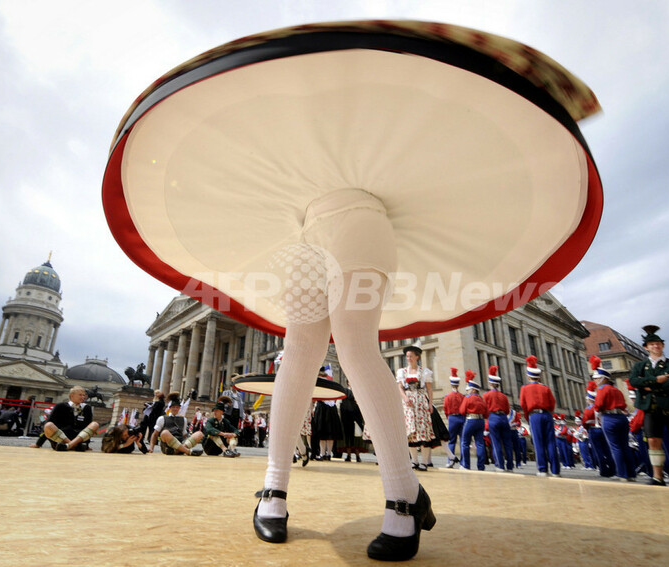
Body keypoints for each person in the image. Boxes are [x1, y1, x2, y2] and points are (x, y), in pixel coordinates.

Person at [102, 21, 603, 562]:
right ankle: (274, 487)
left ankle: (401, 493)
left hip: (365, 219)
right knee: (298, 351)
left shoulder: (364, 97)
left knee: (355, 340)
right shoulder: (293, 104)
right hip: (303, 231)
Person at [629, 325, 669, 487]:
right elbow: (634, 381)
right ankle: (658, 477)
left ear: (662, 346)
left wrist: (648, 386)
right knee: (653, 441)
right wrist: (658, 380)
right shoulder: (639, 366)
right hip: (651, 408)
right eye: (652, 344)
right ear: (646, 347)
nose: (655, 346)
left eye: (658, 344)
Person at [591, 360, 636, 482]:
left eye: (597, 378)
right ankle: (631, 473)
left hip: (609, 418)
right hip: (622, 418)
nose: (595, 381)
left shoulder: (601, 390)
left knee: (615, 447)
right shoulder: (617, 390)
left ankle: (622, 474)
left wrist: (597, 411)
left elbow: (598, 405)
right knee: (625, 446)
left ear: (603, 378)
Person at [397, 342, 436, 471]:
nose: (409, 359)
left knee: (423, 432)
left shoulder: (424, 372)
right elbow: (400, 388)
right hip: (408, 404)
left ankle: (424, 462)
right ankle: (414, 461)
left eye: (411, 356)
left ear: (417, 357)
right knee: (410, 432)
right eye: (407, 356)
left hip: (420, 402)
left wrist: (430, 404)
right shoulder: (402, 371)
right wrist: (405, 398)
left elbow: (429, 389)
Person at [519, 356, 559, 477]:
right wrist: (548, 413)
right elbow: (552, 403)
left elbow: (523, 404)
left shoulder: (525, 388)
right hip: (547, 415)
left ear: (528, 376)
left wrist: (528, 416)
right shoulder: (545, 388)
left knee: (538, 442)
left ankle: (542, 469)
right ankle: (556, 470)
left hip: (534, 415)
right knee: (551, 442)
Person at [40, 386, 99, 452]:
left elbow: (88, 427)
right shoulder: (60, 406)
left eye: (84, 395)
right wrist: (38, 444)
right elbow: (48, 423)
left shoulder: (87, 408)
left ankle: (68, 446)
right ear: (72, 395)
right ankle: (72, 445)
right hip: (62, 439)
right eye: (80, 395)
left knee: (95, 424)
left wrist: (87, 445)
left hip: (79, 439)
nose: (83, 397)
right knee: (48, 425)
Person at [483, 366, 514, 472]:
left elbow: (485, 409)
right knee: (507, 443)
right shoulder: (504, 396)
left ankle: (500, 465)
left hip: (493, 417)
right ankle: (510, 466)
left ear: (490, 383)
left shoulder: (486, 395)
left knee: (495, 442)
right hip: (504, 418)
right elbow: (507, 410)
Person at [459, 372, 489, 470]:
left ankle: (466, 465)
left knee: (465, 442)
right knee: (480, 443)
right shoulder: (481, 399)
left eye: (468, 390)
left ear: (473, 390)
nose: (467, 392)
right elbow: (487, 413)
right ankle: (481, 466)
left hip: (470, 420)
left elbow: (462, 410)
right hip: (480, 421)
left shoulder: (468, 398)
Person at [313, 368, 344, 460]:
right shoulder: (331, 384)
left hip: (323, 408)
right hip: (331, 408)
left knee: (322, 432)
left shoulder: (319, 384)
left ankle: (323, 454)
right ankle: (328, 454)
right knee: (329, 433)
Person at [442, 368, 465, 468]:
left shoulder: (448, 396)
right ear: (458, 384)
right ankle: (463, 463)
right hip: (462, 418)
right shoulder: (462, 396)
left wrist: (449, 417)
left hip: (452, 418)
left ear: (451, 384)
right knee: (463, 441)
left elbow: (445, 409)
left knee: (451, 441)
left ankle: (450, 461)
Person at [339, 380, 366, 462]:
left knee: (357, 437)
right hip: (347, 417)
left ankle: (358, 456)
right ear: (348, 383)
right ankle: (348, 455)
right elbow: (341, 405)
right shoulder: (345, 391)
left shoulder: (360, 391)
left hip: (357, 417)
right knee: (348, 436)